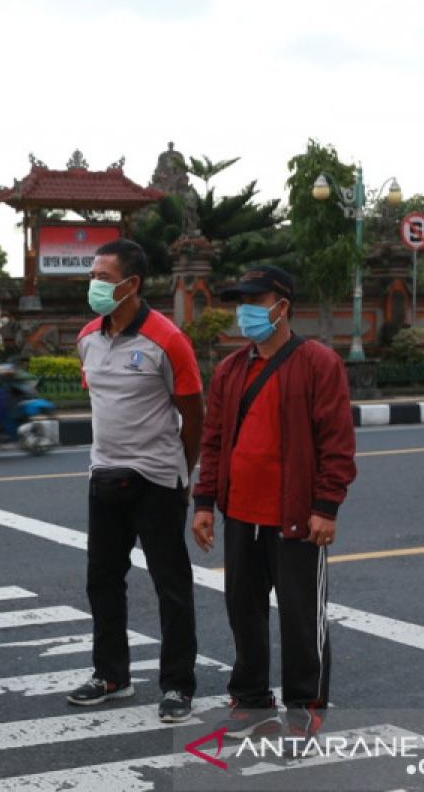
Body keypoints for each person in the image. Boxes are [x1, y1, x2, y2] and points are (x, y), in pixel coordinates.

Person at [190, 265, 357, 742]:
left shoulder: (318, 363)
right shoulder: (230, 369)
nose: (244, 311)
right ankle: (251, 701)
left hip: (296, 517)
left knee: (302, 616)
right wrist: (204, 502)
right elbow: (215, 439)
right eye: (240, 302)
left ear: (282, 306)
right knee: (243, 610)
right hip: (240, 512)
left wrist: (326, 506)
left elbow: (337, 443)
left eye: (254, 301)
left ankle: (305, 705)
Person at [66, 239, 204, 725]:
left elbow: (193, 412)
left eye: (104, 278)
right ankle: (111, 675)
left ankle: (178, 685)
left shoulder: (167, 340)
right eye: (92, 276)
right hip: (104, 474)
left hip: (156, 479)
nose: (95, 285)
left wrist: (184, 476)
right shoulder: (88, 338)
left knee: (171, 584)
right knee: (102, 580)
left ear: (132, 284)